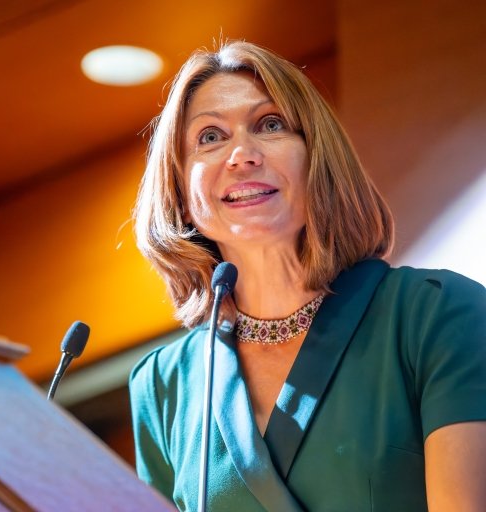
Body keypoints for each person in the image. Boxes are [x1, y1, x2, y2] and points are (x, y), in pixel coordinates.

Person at [129, 40, 486, 511]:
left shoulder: (438, 313)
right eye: (210, 137)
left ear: (318, 156)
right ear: (179, 188)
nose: (242, 154)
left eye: (270, 124)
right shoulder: (161, 386)